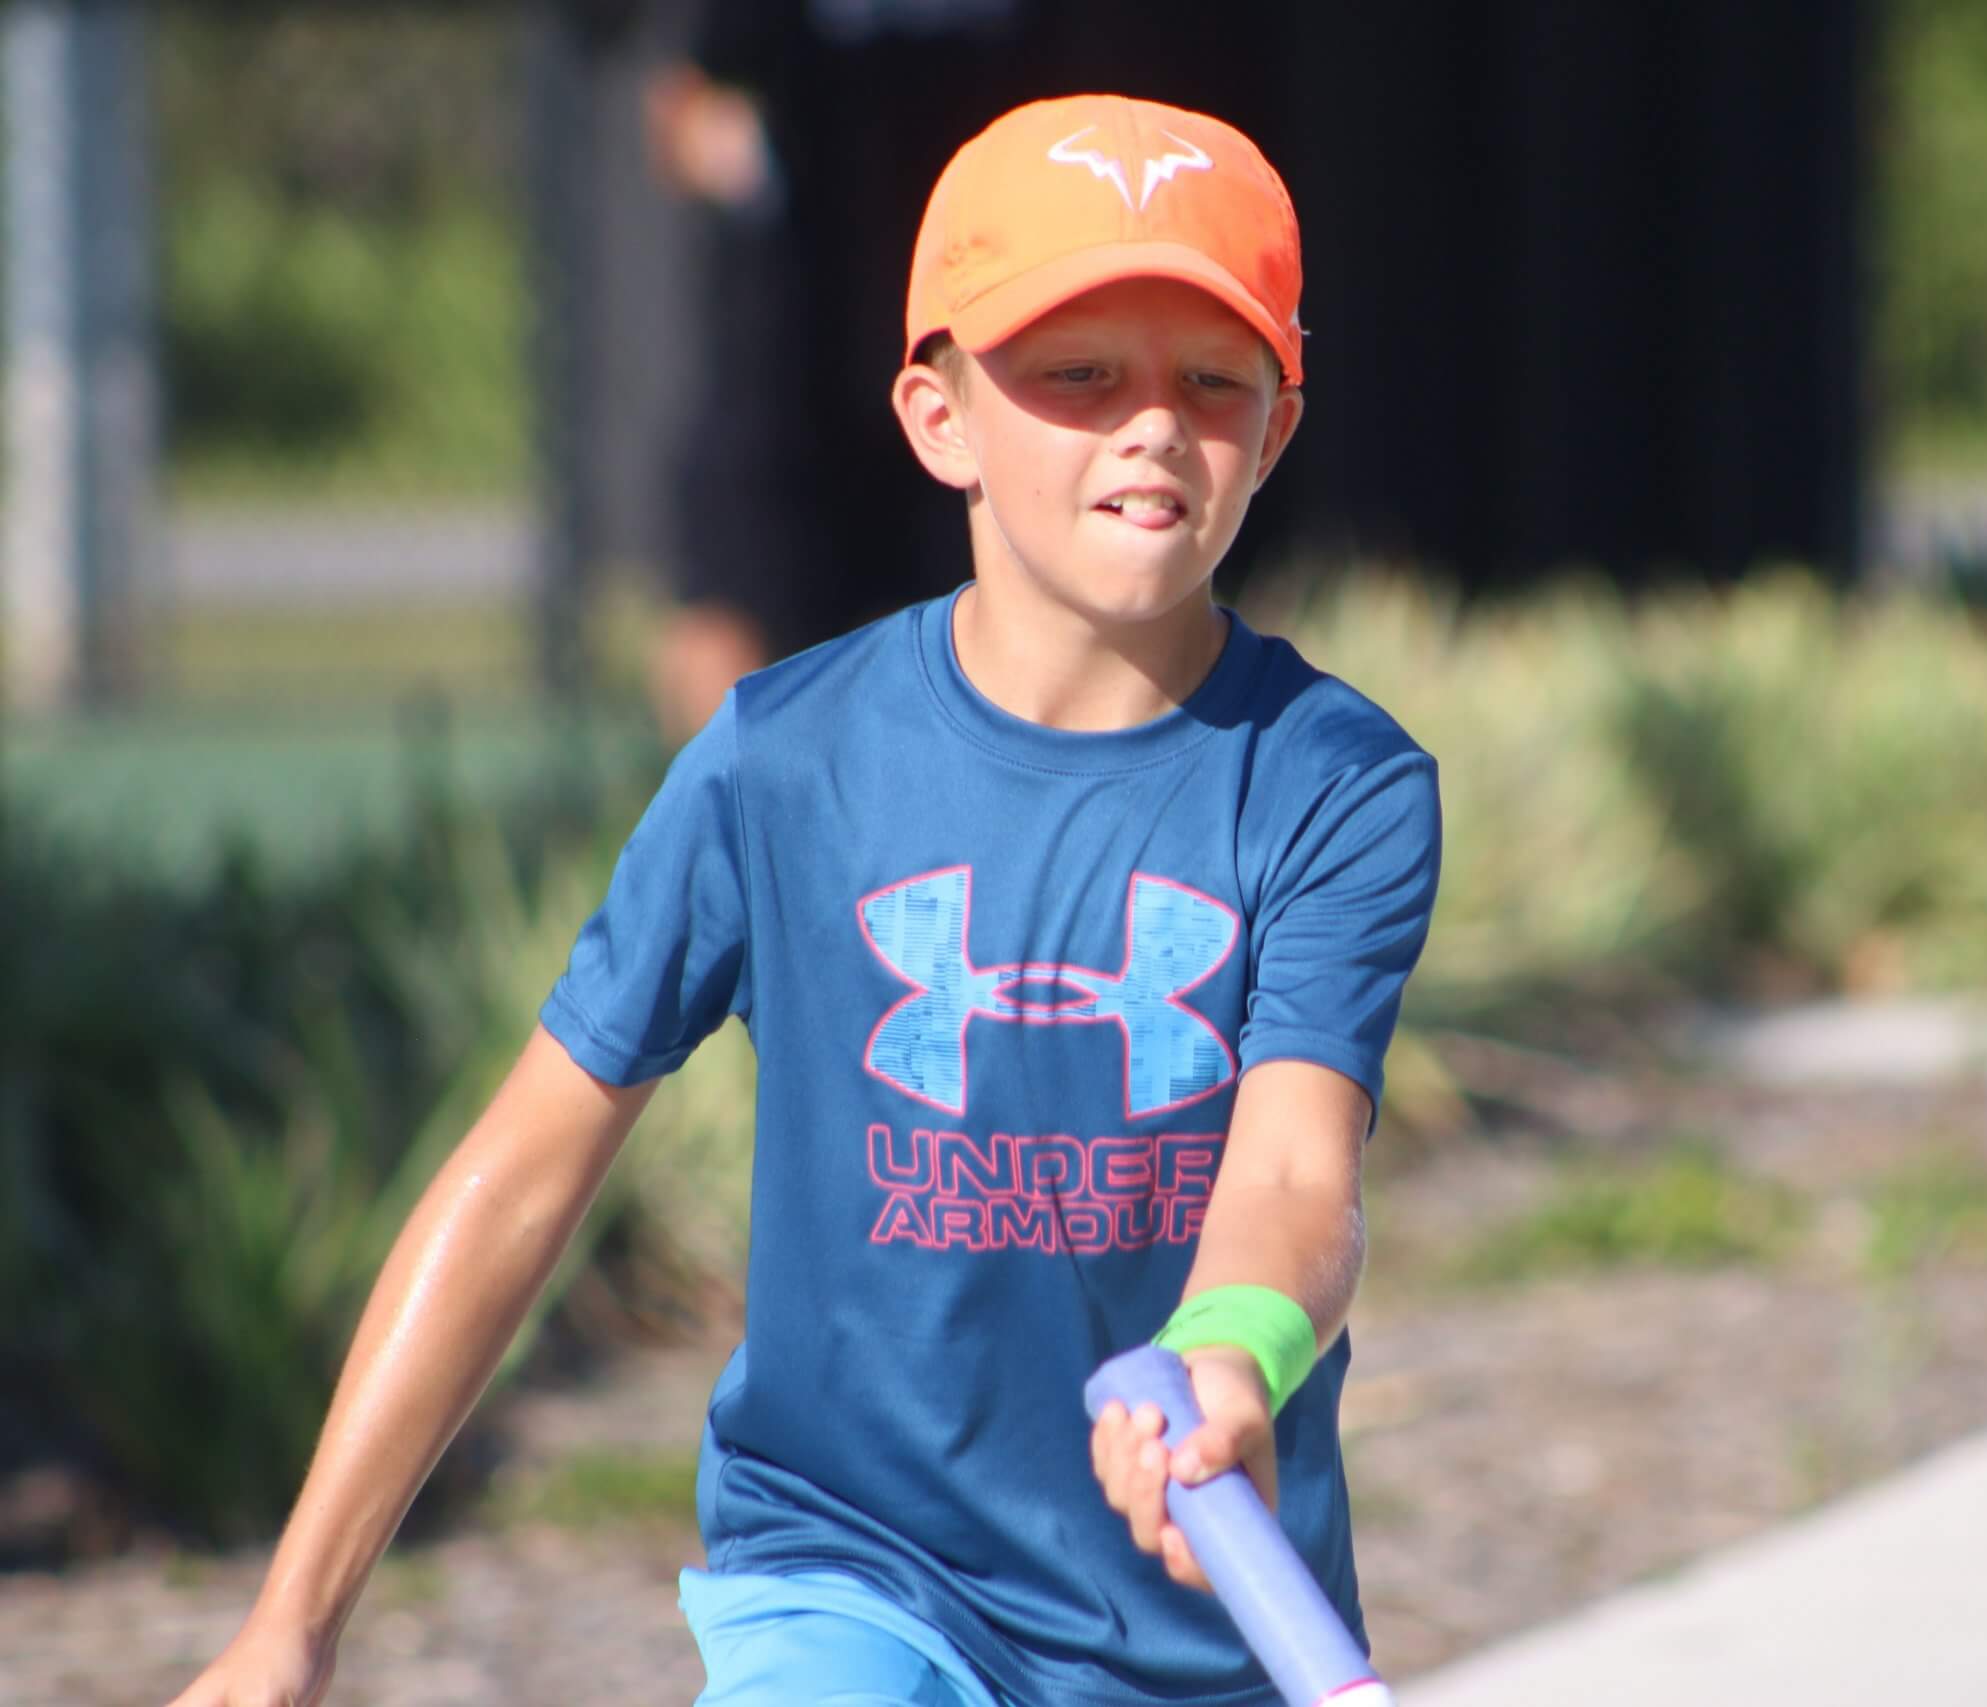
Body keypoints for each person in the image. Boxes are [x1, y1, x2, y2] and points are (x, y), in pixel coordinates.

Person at [172, 92, 1441, 1707]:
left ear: (1276, 426)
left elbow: (1291, 1168)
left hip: (1197, 1633)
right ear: (939, 414)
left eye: (1212, 380)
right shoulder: (784, 760)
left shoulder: (1337, 781)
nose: (1150, 427)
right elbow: (519, 1179)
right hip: (853, 1571)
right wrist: (293, 1620)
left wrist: (1230, 1351)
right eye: (1076, 373)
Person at [645, 0, 1027, 742]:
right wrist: (752, 168)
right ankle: (739, 843)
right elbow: (686, 107)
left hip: (971, 347)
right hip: (786, 365)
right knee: (733, 612)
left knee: (993, 622)